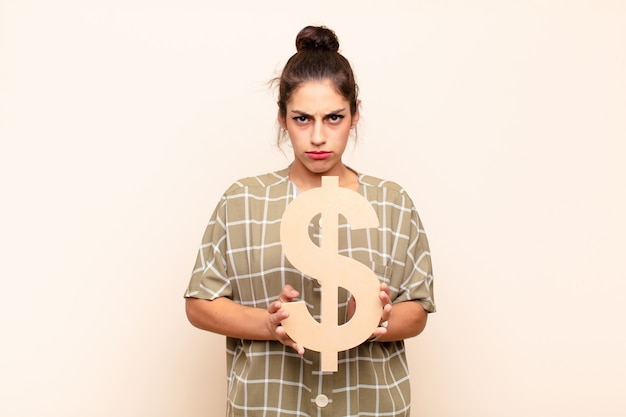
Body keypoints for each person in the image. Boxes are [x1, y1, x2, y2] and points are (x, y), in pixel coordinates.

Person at [184, 25, 436, 417]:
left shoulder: (392, 202)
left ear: (355, 115)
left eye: (334, 118)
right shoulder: (242, 200)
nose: (318, 137)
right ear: (282, 118)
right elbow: (200, 303)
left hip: (368, 405)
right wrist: (267, 325)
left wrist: (372, 318)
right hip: (268, 404)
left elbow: (417, 309)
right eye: (302, 119)